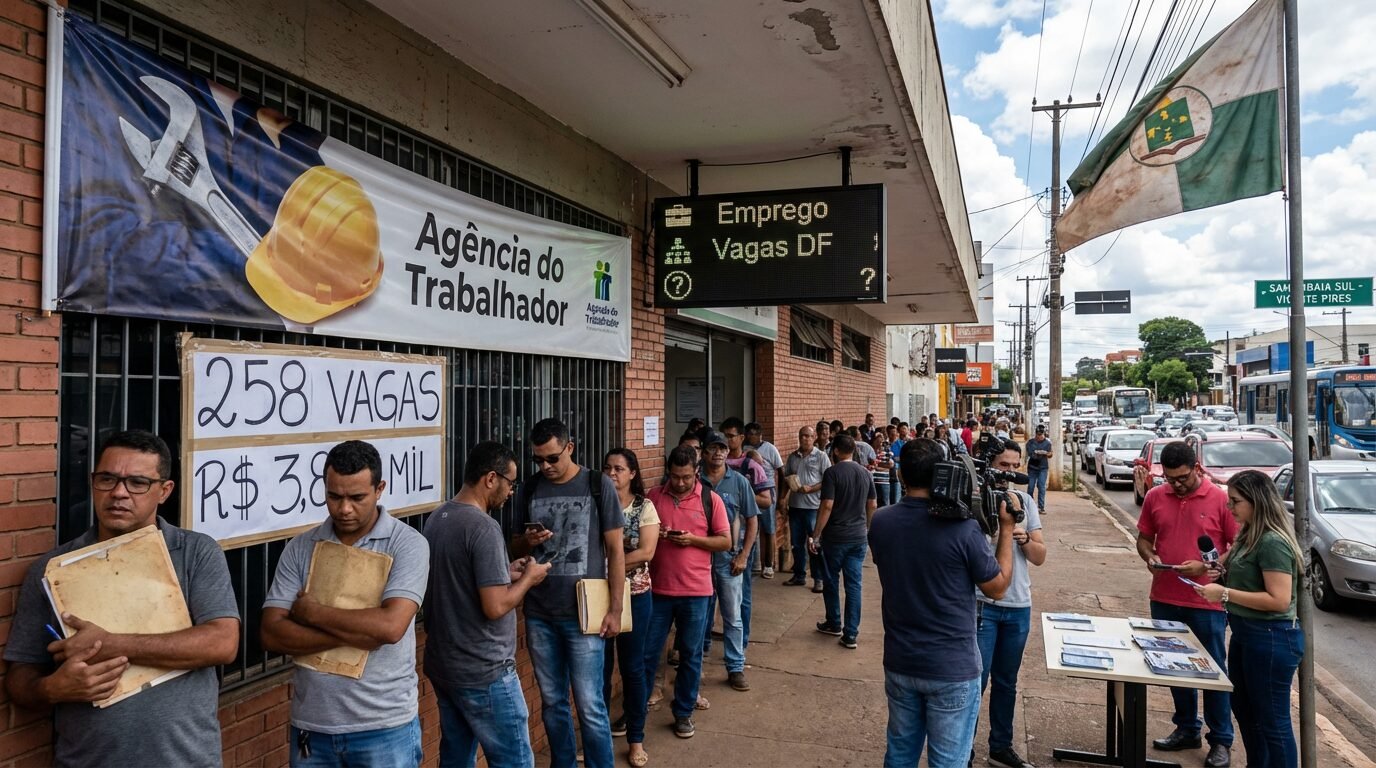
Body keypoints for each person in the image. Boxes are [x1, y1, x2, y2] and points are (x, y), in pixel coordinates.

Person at [4, 430, 240, 768]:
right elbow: (19, 676)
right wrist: (53, 688)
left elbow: (222, 643)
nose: (118, 493)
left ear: (164, 491)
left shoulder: (196, 552)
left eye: (138, 483)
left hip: (186, 760)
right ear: (92, 481)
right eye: (108, 479)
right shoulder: (53, 570)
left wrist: (112, 644)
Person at [262, 440, 430, 767]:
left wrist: (314, 613)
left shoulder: (408, 545)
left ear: (379, 489)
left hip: (383, 726)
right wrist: (358, 635)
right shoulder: (301, 547)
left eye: (357, 498)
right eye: (334, 496)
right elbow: (271, 634)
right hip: (312, 725)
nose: (344, 509)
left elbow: (390, 627)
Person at [870, 439, 1016, 768]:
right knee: (948, 761)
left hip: (901, 661)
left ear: (899, 474)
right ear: (942, 473)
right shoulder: (964, 531)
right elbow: (998, 588)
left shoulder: (880, 522)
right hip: (952, 668)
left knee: (899, 755)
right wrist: (1006, 529)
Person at [421, 441, 550, 768]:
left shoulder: (438, 518)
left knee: (456, 755)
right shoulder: (483, 527)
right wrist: (528, 579)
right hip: (485, 670)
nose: (511, 492)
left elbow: (458, 581)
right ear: (491, 478)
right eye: (510, 483)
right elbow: (494, 606)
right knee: (515, 760)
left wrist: (506, 573)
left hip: (445, 666)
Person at [510, 418, 625, 768]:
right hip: (541, 613)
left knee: (590, 705)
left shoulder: (596, 484)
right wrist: (526, 542)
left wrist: (616, 610)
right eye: (538, 460)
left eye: (552, 458)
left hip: (585, 614)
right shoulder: (530, 488)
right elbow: (513, 543)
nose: (545, 466)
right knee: (553, 702)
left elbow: (616, 551)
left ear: (570, 448)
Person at [1193, 471, 1304, 768]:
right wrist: (1224, 574)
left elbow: (1278, 599)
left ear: (1258, 501)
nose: (1230, 508)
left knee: (1272, 721)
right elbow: (1247, 580)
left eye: (1236, 501)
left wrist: (1224, 593)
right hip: (1246, 634)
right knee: (1245, 709)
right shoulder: (1248, 534)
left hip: (1271, 637)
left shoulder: (1272, 542)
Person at [1138, 441, 1237, 768]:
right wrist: (1149, 556)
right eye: (1170, 478)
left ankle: (1221, 740)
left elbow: (1238, 547)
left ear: (1197, 469)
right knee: (1173, 667)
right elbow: (1144, 538)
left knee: (1212, 672)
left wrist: (1206, 567)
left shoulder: (1221, 499)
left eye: (1182, 478)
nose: (1177, 484)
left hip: (1206, 601)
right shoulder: (1155, 496)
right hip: (1164, 597)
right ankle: (1186, 727)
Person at [643, 446, 731, 739]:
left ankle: (683, 712)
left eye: (685, 477)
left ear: (696, 472)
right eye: (675, 476)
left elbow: (724, 542)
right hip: (658, 591)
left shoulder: (710, 500)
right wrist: (661, 535)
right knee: (648, 652)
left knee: (691, 655)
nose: (680, 483)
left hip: (696, 592)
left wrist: (692, 540)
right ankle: (637, 709)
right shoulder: (654, 497)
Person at [975, 440, 1047, 768]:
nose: (1010, 473)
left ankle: (1000, 747)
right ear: (988, 465)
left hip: (1018, 606)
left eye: (1015, 466)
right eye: (1004, 466)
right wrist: (997, 531)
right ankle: (961, 751)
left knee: (1007, 682)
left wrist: (1023, 537)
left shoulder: (1026, 502)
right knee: (975, 682)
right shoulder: (975, 500)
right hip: (982, 605)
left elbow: (1040, 556)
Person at [602, 448, 659, 768]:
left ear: (633, 473)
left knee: (632, 669)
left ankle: (635, 738)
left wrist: (608, 562)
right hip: (598, 596)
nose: (612, 473)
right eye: (608, 468)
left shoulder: (644, 507)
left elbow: (647, 551)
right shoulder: (597, 504)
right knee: (598, 672)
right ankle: (598, 739)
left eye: (619, 468)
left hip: (636, 596)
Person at [699, 430, 758, 691]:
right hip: (699, 559)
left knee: (732, 616)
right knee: (701, 616)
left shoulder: (739, 482)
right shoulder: (694, 480)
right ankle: (697, 662)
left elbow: (752, 519)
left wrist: (744, 555)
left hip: (729, 559)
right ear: (704, 451)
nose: (719, 452)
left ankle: (735, 667)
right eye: (713, 448)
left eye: (722, 448)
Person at [809, 434, 877, 649]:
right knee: (854, 585)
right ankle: (851, 634)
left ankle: (834, 622)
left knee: (830, 581)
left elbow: (827, 505)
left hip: (835, 538)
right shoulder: (865, 473)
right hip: (858, 537)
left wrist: (816, 534)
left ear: (837, 451)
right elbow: (872, 504)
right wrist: (868, 529)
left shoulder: (832, 473)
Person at [719, 418, 772, 646]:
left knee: (742, 594)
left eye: (731, 436)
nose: (727, 441)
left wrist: (741, 495)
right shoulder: (712, 465)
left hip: (741, 540)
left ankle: (742, 639)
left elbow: (766, 500)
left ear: (741, 438)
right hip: (715, 540)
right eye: (724, 436)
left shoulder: (751, 466)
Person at [781, 425, 831, 591]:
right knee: (797, 544)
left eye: (808, 436)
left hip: (813, 507)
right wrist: (782, 499)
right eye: (802, 436)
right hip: (795, 506)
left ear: (814, 437)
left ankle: (818, 578)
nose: (804, 439)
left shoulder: (821, 456)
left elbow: (827, 481)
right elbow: (786, 478)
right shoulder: (793, 457)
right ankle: (799, 575)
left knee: (814, 544)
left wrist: (811, 488)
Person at [745, 422, 785, 578]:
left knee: (769, 529)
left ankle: (769, 565)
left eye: (752, 434)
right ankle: (754, 563)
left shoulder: (770, 448)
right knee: (751, 527)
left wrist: (781, 497)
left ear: (759, 434)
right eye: (747, 434)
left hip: (766, 492)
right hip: (749, 493)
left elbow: (781, 472)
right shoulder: (745, 449)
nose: (749, 437)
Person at [1025, 425, 1053, 514]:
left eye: (1041, 435)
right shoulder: (1030, 442)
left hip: (1043, 467)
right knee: (1030, 486)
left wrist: (1047, 454)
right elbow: (1030, 453)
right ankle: (1030, 506)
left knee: (1041, 486)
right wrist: (1036, 453)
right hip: (1032, 467)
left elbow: (1050, 454)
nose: (1039, 437)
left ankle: (1041, 507)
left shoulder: (1048, 443)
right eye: (1038, 435)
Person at [869, 432, 893, 508]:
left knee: (884, 504)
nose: (879, 444)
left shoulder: (886, 453)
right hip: (872, 482)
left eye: (881, 442)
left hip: (883, 482)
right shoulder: (870, 452)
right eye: (877, 441)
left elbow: (889, 466)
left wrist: (876, 467)